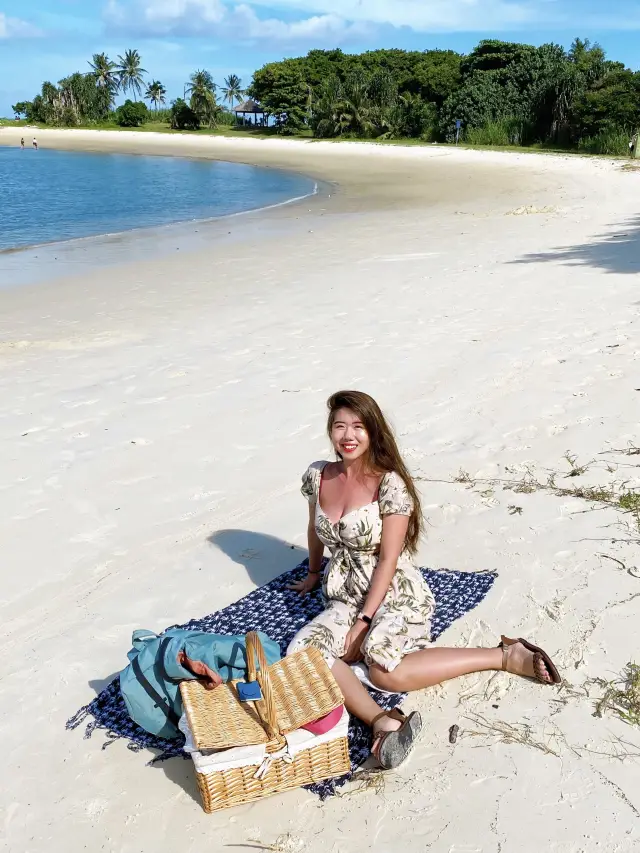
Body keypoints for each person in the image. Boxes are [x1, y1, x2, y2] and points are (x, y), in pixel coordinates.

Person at [288, 390, 560, 769]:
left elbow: (388, 558)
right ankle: (382, 721)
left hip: (393, 592)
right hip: (342, 596)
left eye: (358, 426)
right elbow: (314, 529)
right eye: (339, 426)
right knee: (303, 654)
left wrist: (364, 623)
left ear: (372, 431)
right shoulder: (318, 476)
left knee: (385, 671)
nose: (348, 435)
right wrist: (314, 572)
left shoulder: (390, 485)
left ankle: (503, 655)